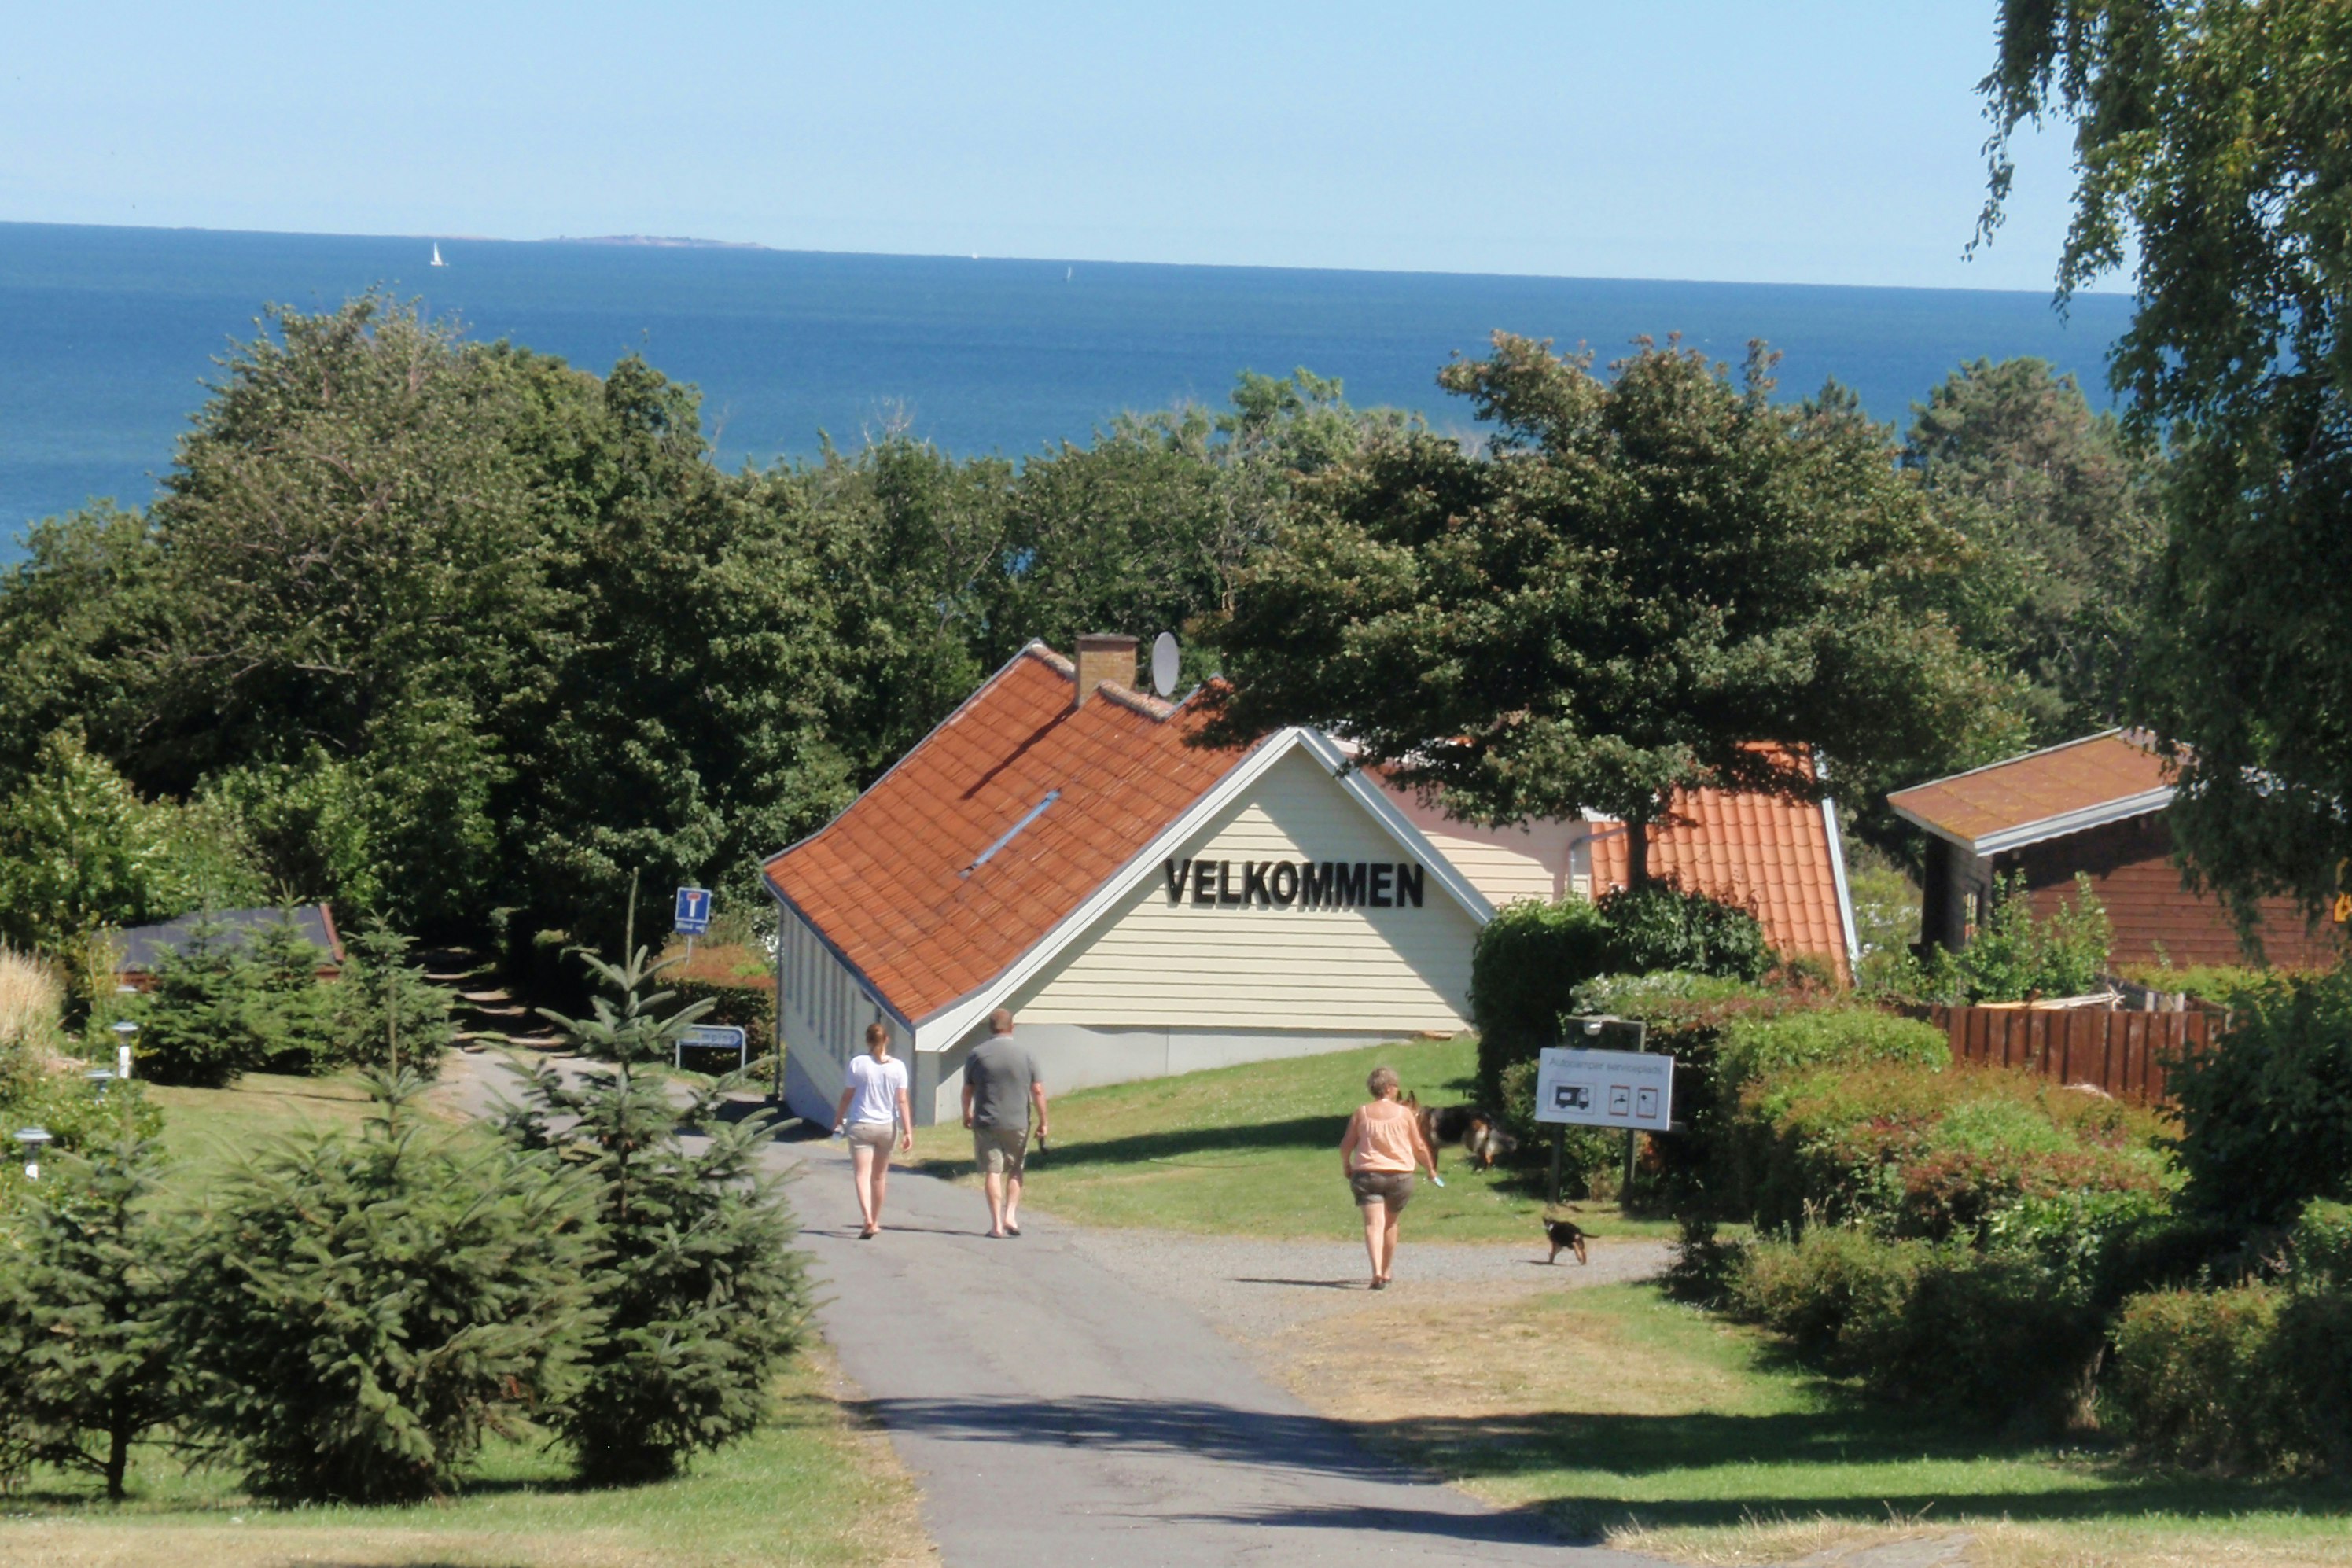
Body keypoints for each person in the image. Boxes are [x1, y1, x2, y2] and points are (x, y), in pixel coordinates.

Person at [1338, 1065, 1437, 1290]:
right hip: (1399, 1176)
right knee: (1390, 1223)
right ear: (1391, 1088)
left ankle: (1376, 1272)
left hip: (1367, 1174)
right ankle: (1387, 1269)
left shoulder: (1361, 1113)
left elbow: (1346, 1146)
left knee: (1373, 1224)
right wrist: (1430, 1169)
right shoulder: (1404, 1114)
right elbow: (1419, 1146)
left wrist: (1347, 1165)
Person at [962, 1008, 1047, 1238]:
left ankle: (996, 1224)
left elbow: (968, 1089)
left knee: (993, 1170)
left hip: (987, 1120)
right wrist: (1043, 1121)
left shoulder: (977, 1054)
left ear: (990, 1028)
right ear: (1012, 1027)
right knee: (1016, 1169)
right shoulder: (1026, 1054)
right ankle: (1010, 1214)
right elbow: (1037, 1090)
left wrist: (966, 1113)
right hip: (1017, 1121)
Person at [832, 1022, 914, 1240]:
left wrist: (838, 1118)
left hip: (861, 1124)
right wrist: (908, 1131)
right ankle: (875, 1220)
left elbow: (848, 1095)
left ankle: (867, 1217)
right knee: (879, 1176)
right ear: (887, 1040)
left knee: (862, 1174)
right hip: (886, 1127)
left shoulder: (858, 1064)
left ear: (868, 1041)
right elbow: (902, 1100)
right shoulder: (898, 1067)